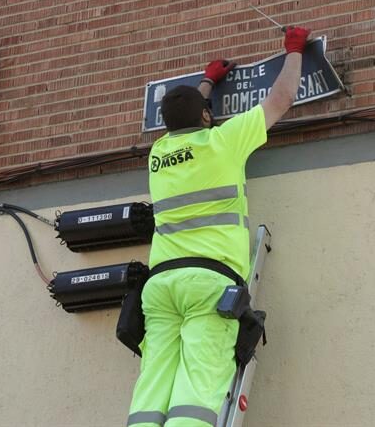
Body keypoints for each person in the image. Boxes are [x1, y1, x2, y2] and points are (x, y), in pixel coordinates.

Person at [126, 26, 311, 427]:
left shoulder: (158, 154)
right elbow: (281, 100)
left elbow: (186, 119)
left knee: (152, 390)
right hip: (208, 284)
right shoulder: (222, 142)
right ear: (207, 118)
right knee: (196, 392)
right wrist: (294, 50)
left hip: (160, 287)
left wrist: (206, 82)